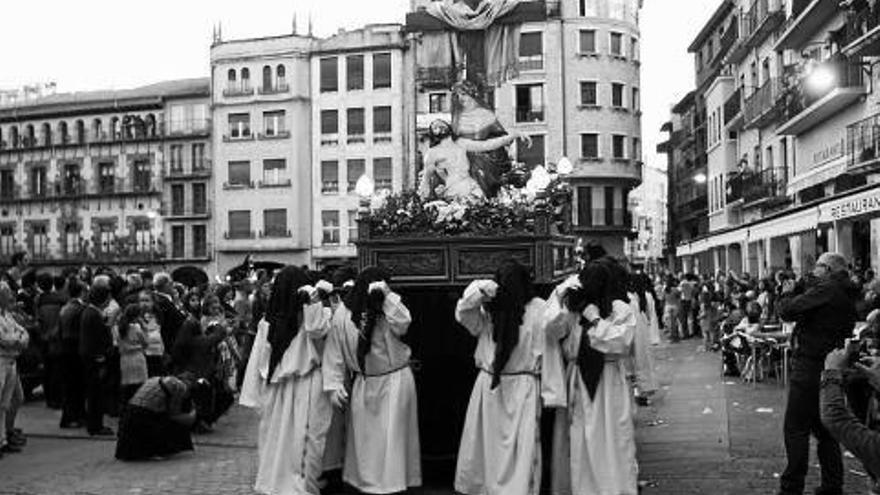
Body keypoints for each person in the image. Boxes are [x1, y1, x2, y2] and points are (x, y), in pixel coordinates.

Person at [322, 266, 421, 494]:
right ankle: (367, 484)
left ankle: (394, 485)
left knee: (393, 439)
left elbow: (403, 323)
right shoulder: (343, 314)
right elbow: (334, 353)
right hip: (365, 382)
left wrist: (387, 297)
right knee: (367, 442)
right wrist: (334, 384)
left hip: (395, 380)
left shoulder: (386, 308)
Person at [453, 260, 546, 495]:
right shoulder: (489, 308)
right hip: (495, 385)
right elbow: (463, 311)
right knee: (492, 446)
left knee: (517, 448)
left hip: (517, 385)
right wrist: (482, 290)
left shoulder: (538, 308)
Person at [545, 261, 638, 495]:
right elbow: (551, 328)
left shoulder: (621, 309)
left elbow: (620, 342)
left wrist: (596, 320)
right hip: (578, 379)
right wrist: (560, 296)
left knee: (610, 439)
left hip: (607, 381)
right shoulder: (574, 311)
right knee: (579, 439)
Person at [240, 266, 333, 495]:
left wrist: (255, 394)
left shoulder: (285, 319)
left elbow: (315, 330)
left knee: (296, 443)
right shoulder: (272, 321)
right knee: (296, 443)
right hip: (300, 385)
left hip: (288, 387)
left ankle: (292, 485)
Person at [777, 252, 860, 495]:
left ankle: (792, 487)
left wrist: (787, 292)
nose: (813, 272)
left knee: (796, 428)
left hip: (810, 366)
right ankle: (832, 485)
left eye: (818, 267)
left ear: (829, 269)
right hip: (830, 367)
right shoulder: (845, 292)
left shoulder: (828, 290)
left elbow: (788, 310)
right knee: (826, 430)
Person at [418, 119, 531, 203]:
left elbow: (488, 145)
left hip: (472, 186)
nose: (439, 126)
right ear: (433, 134)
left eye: (441, 123)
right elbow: (426, 179)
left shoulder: (462, 143)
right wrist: (421, 200)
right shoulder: (433, 153)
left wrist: (514, 135)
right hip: (454, 189)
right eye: (435, 127)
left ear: (448, 126)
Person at [115, 375, 195, 461]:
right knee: (168, 422)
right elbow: (173, 414)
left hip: (131, 411)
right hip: (144, 414)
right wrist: (192, 414)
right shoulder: (180, 386)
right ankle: (159, 450)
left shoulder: (155, 379)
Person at [79, 282, 115, 436]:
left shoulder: (91, 312)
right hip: (95, 359)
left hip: (91, 357)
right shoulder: (93, 314)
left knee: (95, 393)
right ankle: (96, 426)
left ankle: (95, 423)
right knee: (96, 393)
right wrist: (100, 357)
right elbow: (96, 339)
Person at [0, 281, 29, 457]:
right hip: (2, 361)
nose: (11, 296)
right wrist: (18, 340)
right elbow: (5, 339)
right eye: (7, 293)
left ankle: (3, 438)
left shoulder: (8, 315)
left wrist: (19, 339)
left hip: (11, 360)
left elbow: (23, 332)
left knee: (6, 403)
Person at [59, 277, 87, 428]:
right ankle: (75, 416)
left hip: (65, 349)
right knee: (76, 386)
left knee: (69, 386)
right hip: (75, 351)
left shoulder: (65, 308)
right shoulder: (80, 309)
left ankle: (69, 416)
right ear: (82, 292)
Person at [117, 305, 148, 406]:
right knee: (139, 387)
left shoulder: (120, 328)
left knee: (127, 388)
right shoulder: (137, 328)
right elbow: (146, 343)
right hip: (138, 358)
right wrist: (145, 327)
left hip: (125, 360)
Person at [137, 290, 165, 377]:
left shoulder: (159, 315)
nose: (144, 304)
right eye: (142, 300)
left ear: (153, 302)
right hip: (143, 355)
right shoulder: (136, 317)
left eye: (147, 300)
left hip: (157, 353)